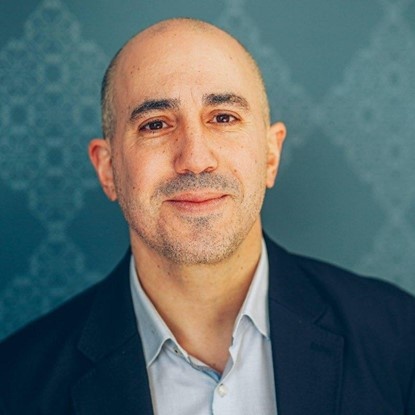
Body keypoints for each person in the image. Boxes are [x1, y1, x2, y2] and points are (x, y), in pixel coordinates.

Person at [0, 17, 414, 415]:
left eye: (223, 118)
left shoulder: (400, 340)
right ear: (108, 169)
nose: (196, 159)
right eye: (155, 124)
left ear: (271, 155)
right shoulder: (16, 384)